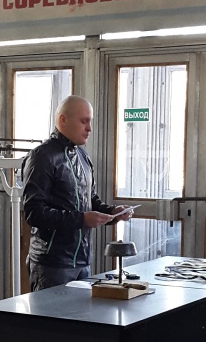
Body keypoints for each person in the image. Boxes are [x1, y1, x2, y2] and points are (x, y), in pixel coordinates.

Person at [21, 95, 133, 291]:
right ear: (63, 120)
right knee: (54, 312)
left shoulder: (83, 156)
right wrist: (81, 219)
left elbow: (91, 201)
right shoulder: (42, 157)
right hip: (52, 265)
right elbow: (33, 212)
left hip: (82, 261)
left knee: (81, 311)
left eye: (90, 121)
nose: (89, 128)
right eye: (84, 121)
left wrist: (113, 213)